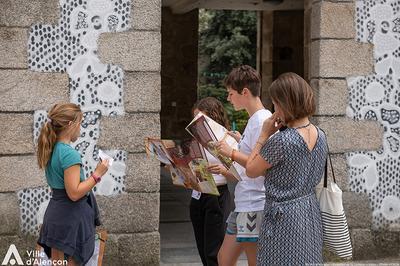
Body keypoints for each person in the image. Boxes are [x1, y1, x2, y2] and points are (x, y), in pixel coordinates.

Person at [246, 72, 328, 264]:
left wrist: (264, 135)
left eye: (275, 102)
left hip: (282, 220)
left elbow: (251, 169)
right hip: (309, 214)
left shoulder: (282, 141)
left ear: (283, 103)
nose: (274, 107)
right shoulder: (321, 135)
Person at [36, 103, 109, 266]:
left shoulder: (52, 148)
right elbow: (74, 193)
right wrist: (98, 174)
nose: (80, 129)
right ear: (70, 125)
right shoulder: (69, 154)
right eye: (80, 123)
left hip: (55, 215)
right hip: (71, 218)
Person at [215, 65, 272, 266]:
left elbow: (260, 165)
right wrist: (239, 144)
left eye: (231, 94)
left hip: (254, 203)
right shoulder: (256, 120)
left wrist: (231, 152)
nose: (229, 99)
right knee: (224, 258)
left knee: (254, 262)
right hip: (244, 202)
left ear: (244, 92)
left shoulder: (261, 121)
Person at [190, 97, 235, 266]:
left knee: (213, 251)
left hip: (216, 196)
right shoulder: (195, 138)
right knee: (202, 248)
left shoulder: (227, 139)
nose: (196, 122)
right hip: (197, 195)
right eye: (194, 118)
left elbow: (240, 173)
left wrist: (224, 170)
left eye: (200, 118)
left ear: (213, 117)